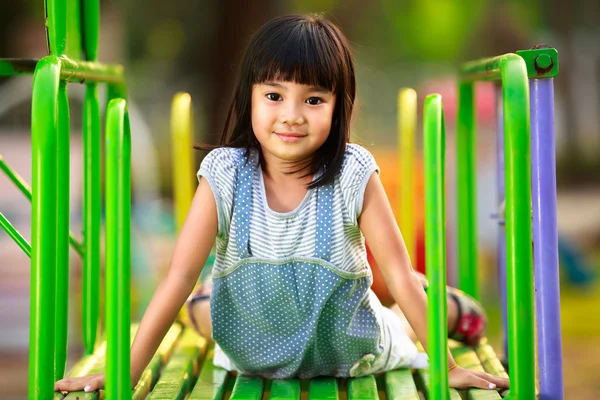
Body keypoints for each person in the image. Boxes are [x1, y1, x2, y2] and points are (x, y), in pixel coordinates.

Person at [55, 13, 508, 393]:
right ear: (248, 97)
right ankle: (210, 300)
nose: (292, 114)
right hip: (255, 347)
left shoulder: (353, 172)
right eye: (274, 95)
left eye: (313, 99)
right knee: (200, 303)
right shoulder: (224, 173)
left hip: (348, 348)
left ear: (338, 108)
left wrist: (448, 370)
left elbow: (397, 275)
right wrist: (121, 377)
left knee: (401, 320)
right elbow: (177, 275)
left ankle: (448, 304)